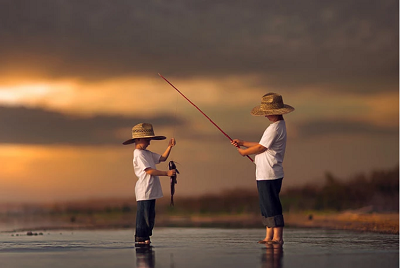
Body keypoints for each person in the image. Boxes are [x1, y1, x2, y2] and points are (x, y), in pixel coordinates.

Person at [231, 93, 294, 246]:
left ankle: (277, 237)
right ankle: (269, 236)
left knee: (272, 204)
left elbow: (261, 147)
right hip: (264, 173)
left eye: (267, 112)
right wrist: (243, 142)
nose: (265, 115)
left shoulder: (274, 128)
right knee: (265, 205)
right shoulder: (276, 127)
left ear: (276, 111)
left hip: (270, 174)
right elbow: (261, 143)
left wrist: (243, 152)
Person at [123, 122, 176, 245]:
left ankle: (146, 237)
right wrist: (166, 173)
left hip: (152, 190)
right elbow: (149, 171)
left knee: (150, 216)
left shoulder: (147, 153)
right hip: (144, 190)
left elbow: (162, 159)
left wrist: (170, 147)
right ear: (139, 139)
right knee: (144, 216)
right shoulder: (138, 154)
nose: (149, 142)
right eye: (147, 140)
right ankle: (141, 238)